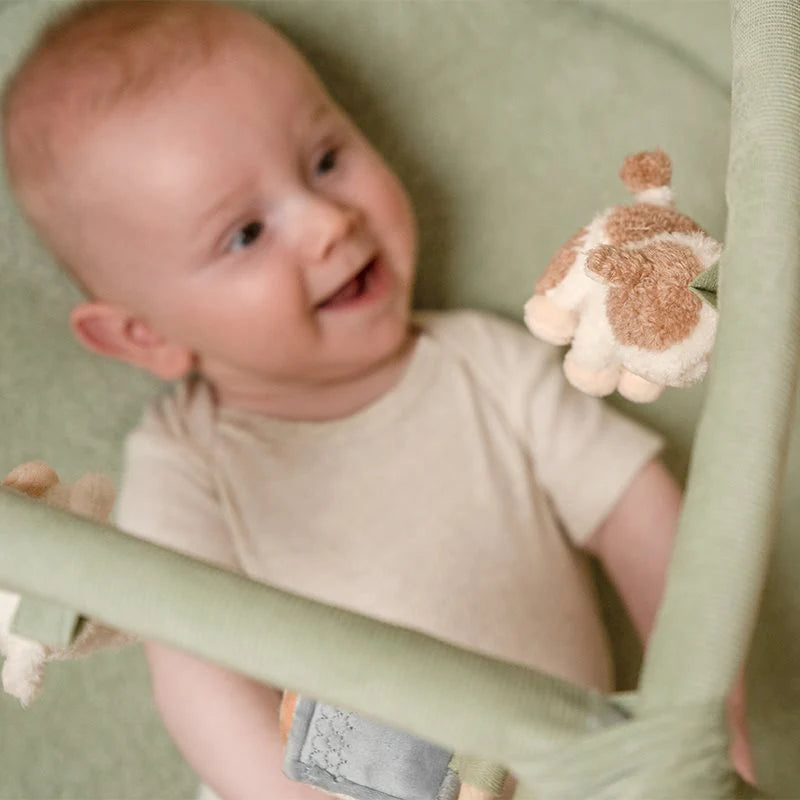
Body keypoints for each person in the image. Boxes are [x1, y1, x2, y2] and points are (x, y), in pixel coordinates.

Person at [0, 1, 753, 797]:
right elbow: (194, 676)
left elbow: (635, 511)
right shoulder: (187, 459)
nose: (328, 221)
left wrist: (704, 706)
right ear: (143, 337)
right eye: (245, 234)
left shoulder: (485, 365)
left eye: (325, 159)